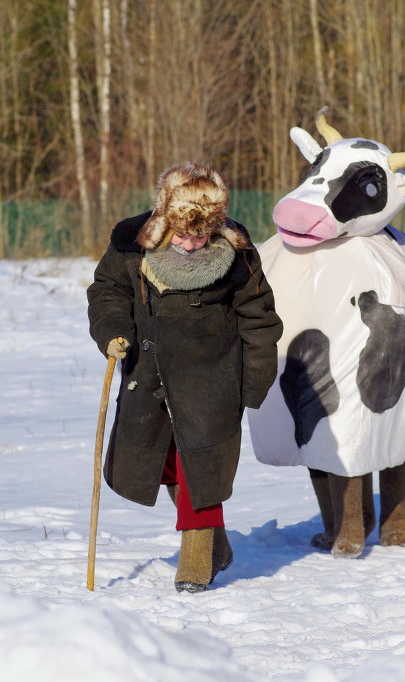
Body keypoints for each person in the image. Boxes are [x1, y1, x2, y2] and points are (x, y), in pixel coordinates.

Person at [87, 162, 283, 593]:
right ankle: (219, 544)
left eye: (201, 235)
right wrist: (113, 331)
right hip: (148, 371)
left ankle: (196, 555)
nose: (192, 245)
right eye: (182, 233)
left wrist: (255, 379)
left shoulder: (238, 252)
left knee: (201, 465)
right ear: (164, 218)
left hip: (210, 378)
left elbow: (259, 317)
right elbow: (108, 290)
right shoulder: (130, 243)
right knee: (161, 461)